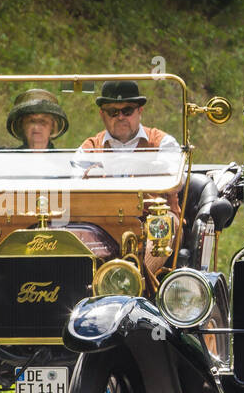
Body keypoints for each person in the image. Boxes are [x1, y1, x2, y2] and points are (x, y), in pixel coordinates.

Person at [77, 80, 183, 272]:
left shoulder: (162, 142)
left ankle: (136, 282)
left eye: (127, 111)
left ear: (139, 111)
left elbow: (176, 182)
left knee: (163, 224)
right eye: (113, 112)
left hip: (151, 217)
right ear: (102, 114)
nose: (121, 117)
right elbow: (73, 186)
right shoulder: (90, 147)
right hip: (102, 222)